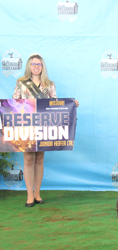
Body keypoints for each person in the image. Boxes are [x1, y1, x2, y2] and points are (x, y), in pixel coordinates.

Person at [13, 53, 79, 207]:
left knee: (40, 159)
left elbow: (55, 103)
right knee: (28, 159)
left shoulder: (49, 84)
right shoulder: (21, 83)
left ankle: (37, 194)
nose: (36, 67)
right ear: (29, 66)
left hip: (43, 125)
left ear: (42, 67)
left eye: (39, 64)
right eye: (33, 64)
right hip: (26, 125)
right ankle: (29, 195)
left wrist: (71, 103)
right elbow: (15, 103)